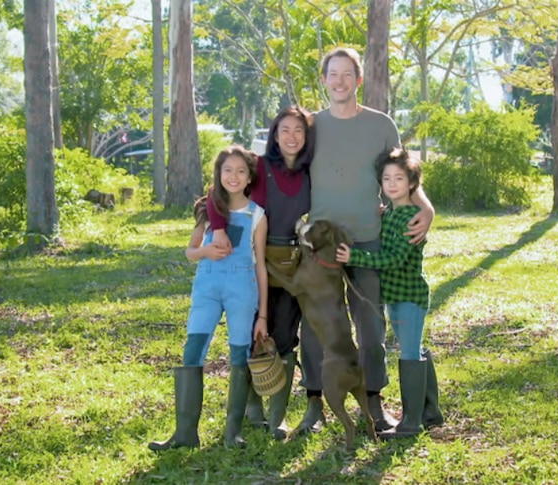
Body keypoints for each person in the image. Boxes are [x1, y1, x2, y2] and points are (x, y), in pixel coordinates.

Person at [294, 47, 435, 433]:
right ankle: (314, 404)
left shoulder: (380, 125)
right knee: (315, 326)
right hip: (321, 244)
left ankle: (373, 401)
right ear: (324, 81)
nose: (339, 81)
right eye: (332, 74)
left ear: (359, 80)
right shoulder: (311, 126)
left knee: (371, 326)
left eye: (346, 74)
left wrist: (428, 207)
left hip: (368, 241)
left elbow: (403, 173)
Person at [148, 145, 269, 451]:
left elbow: (262, 266)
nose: (234, 176)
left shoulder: (257, 215)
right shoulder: (207, 208)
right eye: (228, 170)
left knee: (239, 356)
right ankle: (185, 433)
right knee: (192, 352)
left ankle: (233, 432)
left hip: (242, 290)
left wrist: (263, 314)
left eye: (241, 171)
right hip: (207, 289)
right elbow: (190, 252)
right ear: (218, 173)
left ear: (250, 177)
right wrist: (205, 250)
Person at [206, 106, 315, 440]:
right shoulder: (259, 166)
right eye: (284, 130)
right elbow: (217, 192)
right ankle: (252, 407)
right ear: (274, 134)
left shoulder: (314, 171)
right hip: (253, 260)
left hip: (295, 262)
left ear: (306, 136)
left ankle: (277, 417)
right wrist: (220, 229)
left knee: (284, 334)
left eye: (298, 130)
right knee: (250, 331)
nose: (291, 137)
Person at [336, 148, 443, 438]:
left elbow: (393, 258)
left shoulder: (411, 217)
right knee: (416, 349)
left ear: (412, 184)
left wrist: (355, 257)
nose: (392, 183)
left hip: (409, 295)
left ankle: (410, 423)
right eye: (386, 178)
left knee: (409, 353)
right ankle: (431, 412)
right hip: (396, 295)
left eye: (399, 178)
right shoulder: (393, 213)